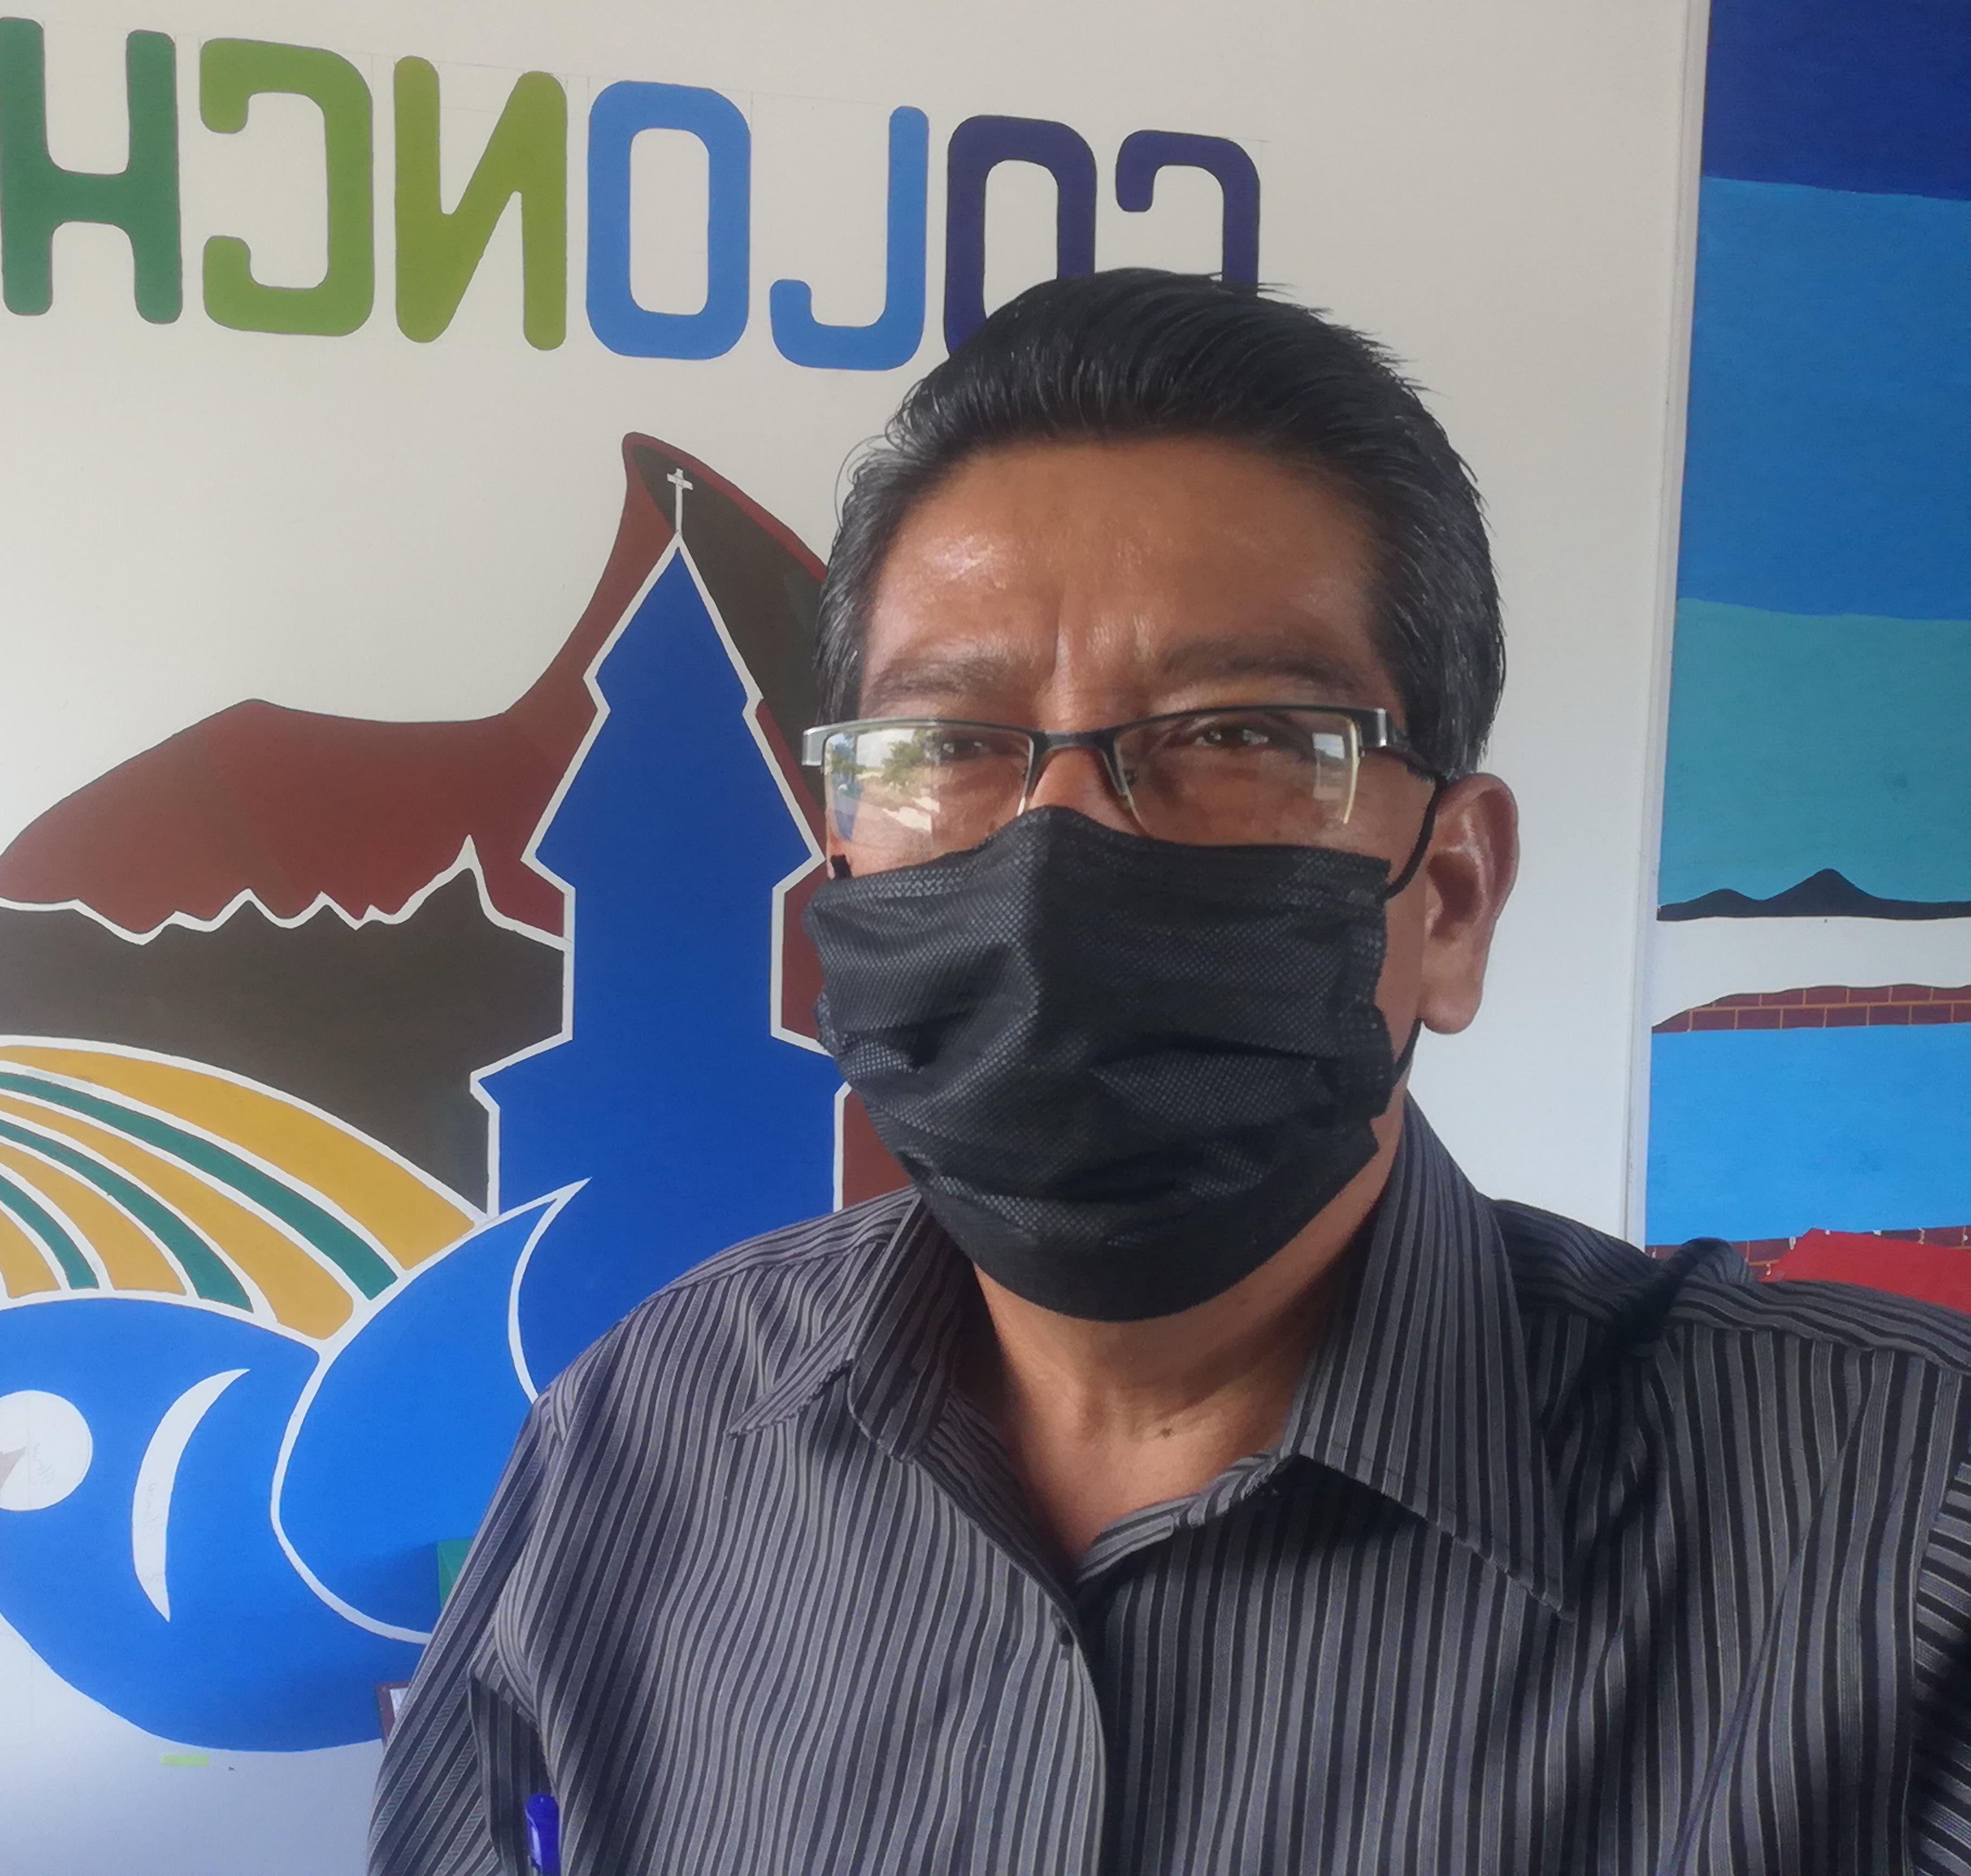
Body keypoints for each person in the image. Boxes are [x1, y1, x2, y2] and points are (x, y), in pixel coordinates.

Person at [368, 269, 1971, 1873]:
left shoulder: (1903, 1535)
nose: (1054, 853)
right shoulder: (643, 1437)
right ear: (840, 860)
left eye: (1235, 735)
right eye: (948, 745)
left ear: (1451, 897)